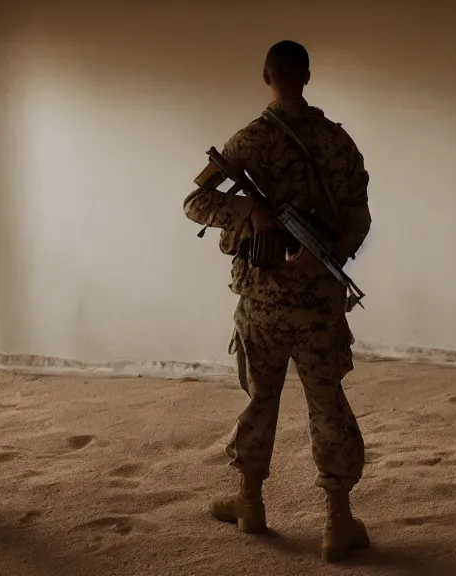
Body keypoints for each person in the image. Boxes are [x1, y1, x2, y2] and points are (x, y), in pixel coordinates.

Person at [182, 40, 372, 562]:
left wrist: (243, 214)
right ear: (307, 75)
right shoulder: (338, 142)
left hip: (262, 303)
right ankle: (336, 519)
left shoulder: (250, 140)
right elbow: (359, 215)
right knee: (327, 401)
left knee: (259, 398)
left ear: (266, 75)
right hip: (318, 305)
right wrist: (322, 250)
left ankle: (250, 502)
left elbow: (195, 202)